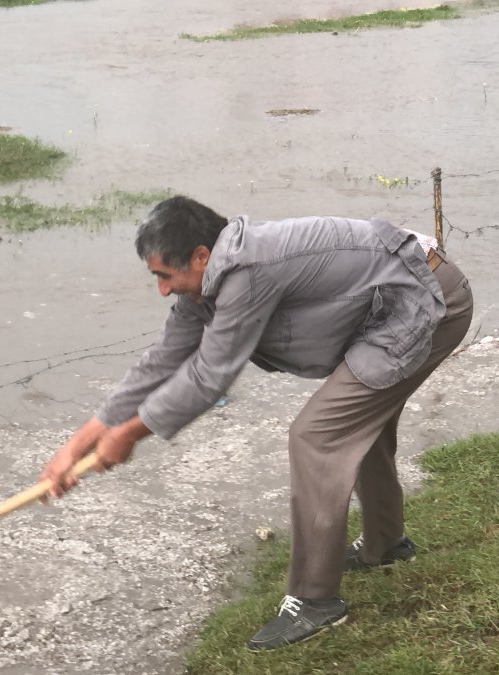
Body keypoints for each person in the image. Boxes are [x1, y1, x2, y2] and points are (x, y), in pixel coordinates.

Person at [40, 195, 474, 650]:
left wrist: (128, 434)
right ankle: (386, 544)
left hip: (426, 300)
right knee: (358, 426)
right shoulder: (211, 279)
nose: (163, 290)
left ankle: (315, 601)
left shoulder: (248, 270)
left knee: (318, 436)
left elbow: (210, 375)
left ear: (201, 255)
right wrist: (80, 443)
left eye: (164, 277)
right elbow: (162, 361)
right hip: (391, 302)